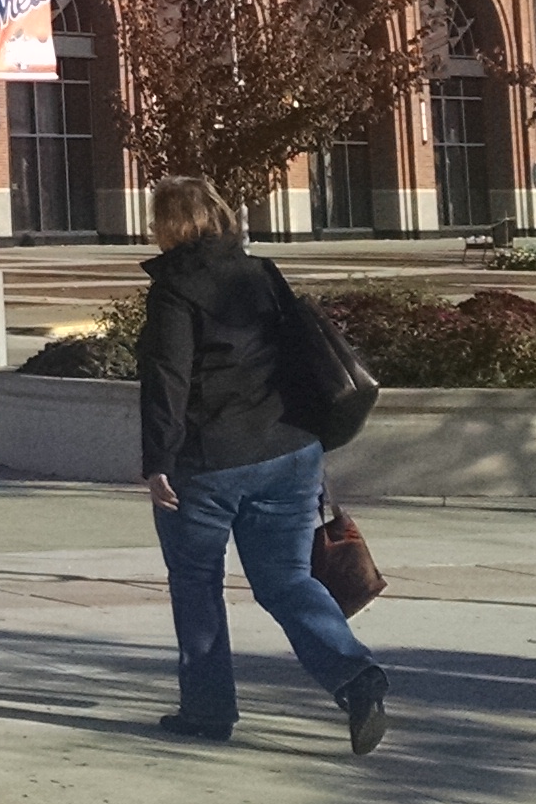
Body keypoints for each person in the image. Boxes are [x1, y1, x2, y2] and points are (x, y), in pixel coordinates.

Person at [135, 173, 389, 752]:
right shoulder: (262, 273)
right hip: (290, 450)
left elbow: (168, 379)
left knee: (197, 582)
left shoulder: (175, 288)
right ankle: (356, 676)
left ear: (168, 225)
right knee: (287, 580)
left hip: (210, 460)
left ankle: (207, 710)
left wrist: (158, 461)